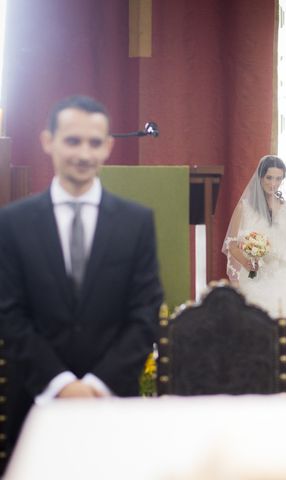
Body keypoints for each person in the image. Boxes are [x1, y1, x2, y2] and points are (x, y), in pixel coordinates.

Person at [0, 95, 163, 458]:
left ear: (107, 147)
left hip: (113, 402)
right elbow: (8, 314)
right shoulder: (13, 223)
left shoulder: (136, 223)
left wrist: (96, 385)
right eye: (72, 140)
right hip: (34, 403)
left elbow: (145, 313)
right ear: (49, 141)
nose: (83, 153)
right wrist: (59, 384)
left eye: (93, 143)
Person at [222, 155, 286, 395]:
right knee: (254, 330)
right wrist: (249, 262)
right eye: (269, 177)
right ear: (260, 177)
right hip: (254, 277)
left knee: (284, 329)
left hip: (282, 278)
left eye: (278, 178)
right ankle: (254, 388)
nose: (273, 183)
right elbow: (231, 244)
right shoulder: (244, 208)